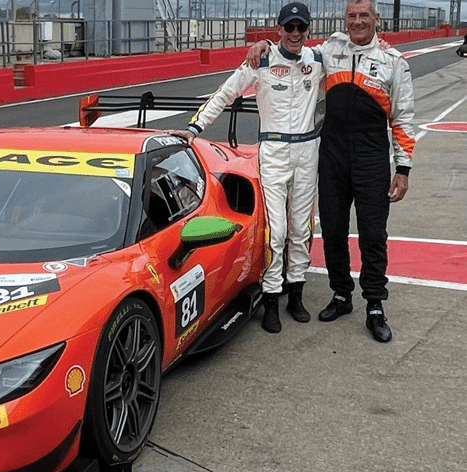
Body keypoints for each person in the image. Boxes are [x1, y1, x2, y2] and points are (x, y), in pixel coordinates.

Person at [247, 0, 416, 343]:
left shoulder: (393, 62)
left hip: (371, 155)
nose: (357, 22)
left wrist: (403, 168)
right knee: (334, 231)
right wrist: (262, 43)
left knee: (372, 235)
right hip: (332, 152)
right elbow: (293, 50)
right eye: (351, 16)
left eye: (363, 16)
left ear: (375, 19)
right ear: (345, 20)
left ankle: (374, 305)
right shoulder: (329, 49)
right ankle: (341, 294)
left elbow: (404, 118)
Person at [168, 1, 323, 334]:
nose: (295, 33)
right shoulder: (261, 59)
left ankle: (295, 294)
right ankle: (270, 298)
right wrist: (194, 129)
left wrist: (377, 43)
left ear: (308, 30)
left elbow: (353, 44)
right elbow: (225, 94)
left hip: (308, 151)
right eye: (289, 27)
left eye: (301, 27)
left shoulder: (319, 60)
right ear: (279, 29)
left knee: (300, 229)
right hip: (274, 151)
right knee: (276, 232)